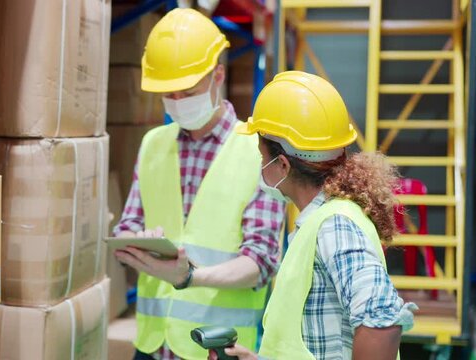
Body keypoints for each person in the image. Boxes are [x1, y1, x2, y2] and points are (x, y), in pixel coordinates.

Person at [112, 8, 286, 360]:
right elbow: (130, 223)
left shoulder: (257, 152)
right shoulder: (153, 144)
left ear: (217, 76)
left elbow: (261, 262)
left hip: (218, 347)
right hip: (151, 344)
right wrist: (135, 245)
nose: (177, 102)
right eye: (168, 95)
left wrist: (190, 277)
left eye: (186, 92)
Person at [213, 71, 417, 360]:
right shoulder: (322, 221)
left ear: (282, 165)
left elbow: (382, 320)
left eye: (262, 158)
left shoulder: (335, 225)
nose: (260, 167)